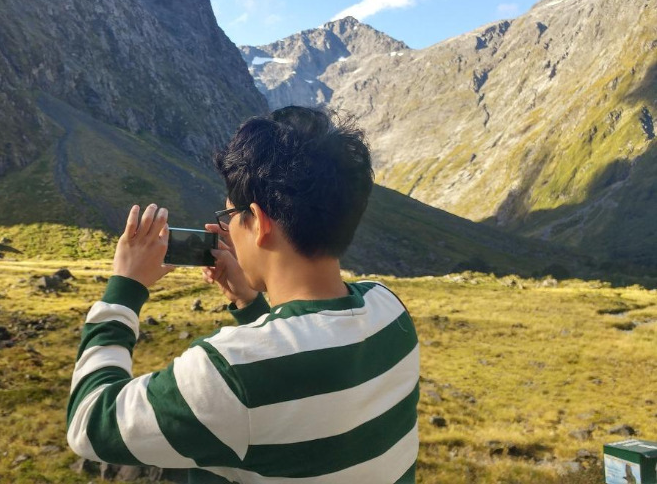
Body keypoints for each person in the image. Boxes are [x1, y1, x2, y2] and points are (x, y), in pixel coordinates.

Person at [67, 106, 419, 483]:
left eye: (231, 216)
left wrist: (125, 287)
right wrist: (250, 304)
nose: (229, 228)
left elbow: (89, 422)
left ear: (260, 222)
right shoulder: (390, 310)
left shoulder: (231, 372)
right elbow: (301, 375)